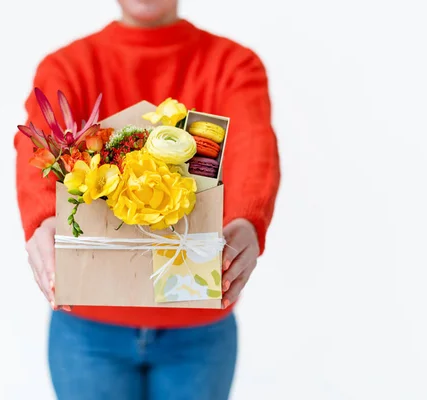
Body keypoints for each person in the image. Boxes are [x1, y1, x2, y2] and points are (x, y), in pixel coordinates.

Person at [14, 0, 281, 398]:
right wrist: (42, 220)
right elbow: (35, 152)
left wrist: (247, 220)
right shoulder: (67, 66)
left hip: (198, 329)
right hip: (87, 328)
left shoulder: (234, 64)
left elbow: (253, 149)